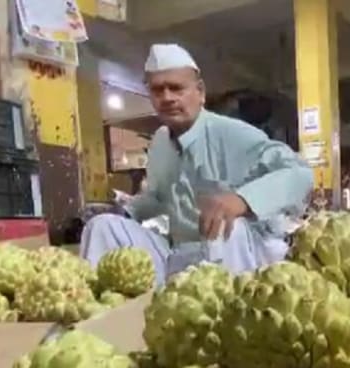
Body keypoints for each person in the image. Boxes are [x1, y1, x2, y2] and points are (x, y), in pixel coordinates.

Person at [80, 44, 313, 284]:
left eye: (176, 88)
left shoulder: (230, 133)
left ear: (200, 92)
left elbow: (300, 172)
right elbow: (159, 199)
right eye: (158, 90)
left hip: (235, 255)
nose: (167, 97)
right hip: (179, 254)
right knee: (102, 227)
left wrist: (242, 200)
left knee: (227, 227)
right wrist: (126, 210)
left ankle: (231, 314)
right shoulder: (160, 142)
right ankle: (105, 314)